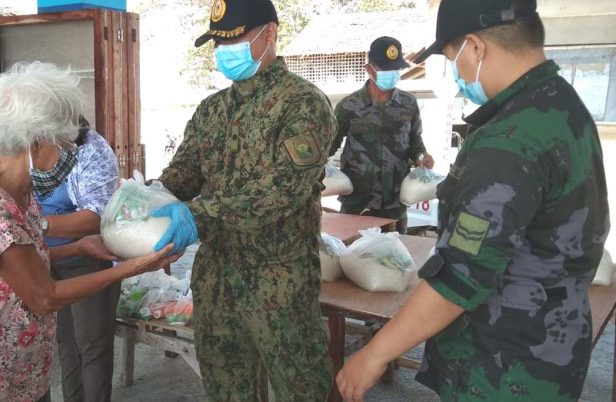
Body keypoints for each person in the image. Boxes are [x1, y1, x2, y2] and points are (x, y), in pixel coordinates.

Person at [335, 0, 610, 401]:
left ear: (475, 47)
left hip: (502, 367)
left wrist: (373, 354)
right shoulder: (562, 106)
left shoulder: (508, 139)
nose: (456, 73)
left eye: (451, 59)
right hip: (551, 350)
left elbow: (460, 278)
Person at [0, 61, 179, 402]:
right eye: (64, 144)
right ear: (36, 141)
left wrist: (78, 249)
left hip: (24, 369)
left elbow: (12, 264)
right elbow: (44, 296)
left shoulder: (18, 192)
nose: (70, 155)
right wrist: (136, 266)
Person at [152, 0, 336, 400]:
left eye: (234, 39)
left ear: (269, 33)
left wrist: (197, 214)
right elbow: (180, 177)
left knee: (301, 387)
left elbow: (282, 190)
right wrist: (144, 200)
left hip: (279, 283)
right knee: (226, 390)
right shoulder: (212, 110)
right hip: (216, 279)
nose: (223, 51)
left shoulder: (303, 104)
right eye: (218, 41)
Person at [36, 116, 120, 402]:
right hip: (42, 259)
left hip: (86, 257)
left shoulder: (91, 149)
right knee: (66, 345)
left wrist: (35, 224)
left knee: (91, 346)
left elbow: (95, 218)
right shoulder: (28, 147)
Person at [330, 36, 434, 234]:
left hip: (394, 203)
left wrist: (421, 156)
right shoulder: (349, 106)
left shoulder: (408, 103)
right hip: (357, 203)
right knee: (352, 257)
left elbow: (414, 140)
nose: (392, 74)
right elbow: (330, 145)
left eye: (395, 69)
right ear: (369, 69)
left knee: (393, 259)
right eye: (385, 69)